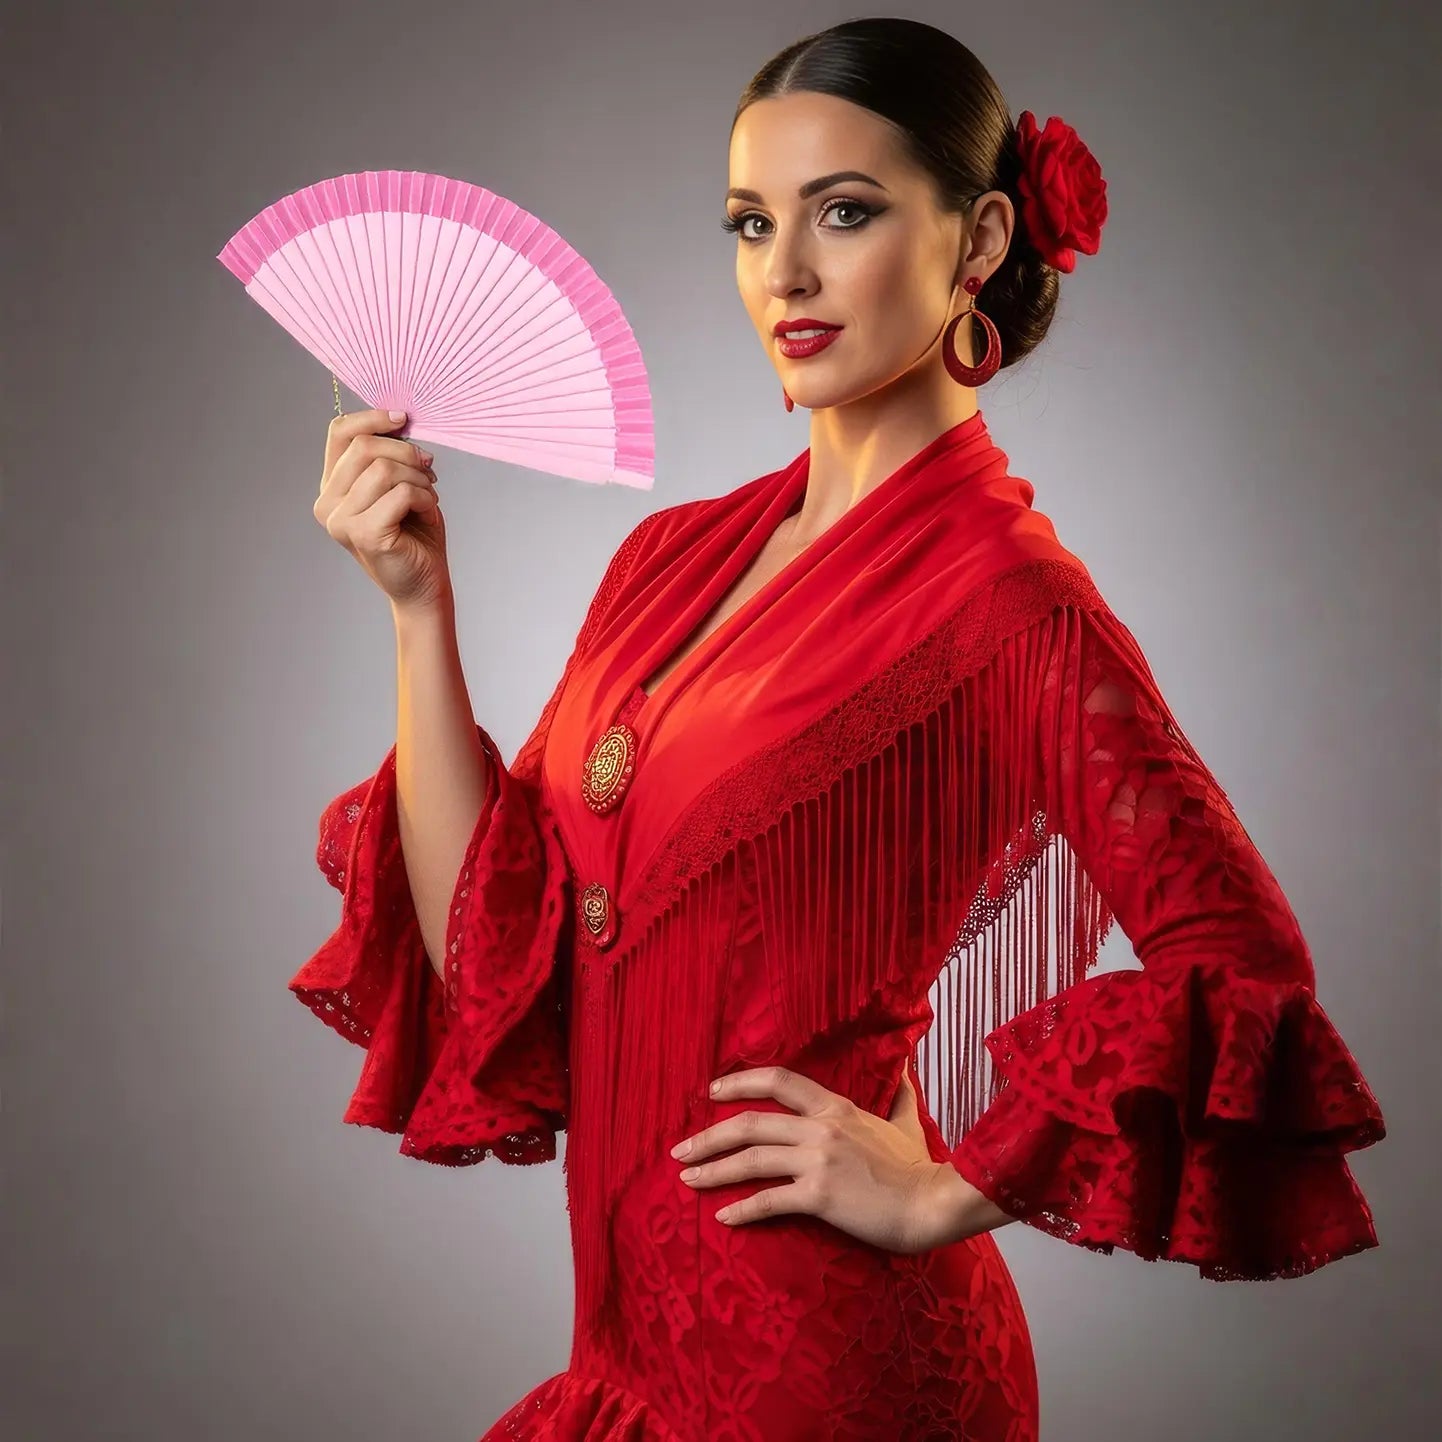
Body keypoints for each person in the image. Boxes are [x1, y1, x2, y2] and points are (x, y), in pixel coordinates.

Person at [291, 17, 1386, 1441]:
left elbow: (1242, 963)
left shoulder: (1003, 598)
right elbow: (493, 948)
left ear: (979, 238)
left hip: (837, 1372)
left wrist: (945, 1185)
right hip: (630, 1352)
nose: (783, 275)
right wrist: (417, 611)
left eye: (845, 213)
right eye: (752, 223)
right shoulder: (671, 557)